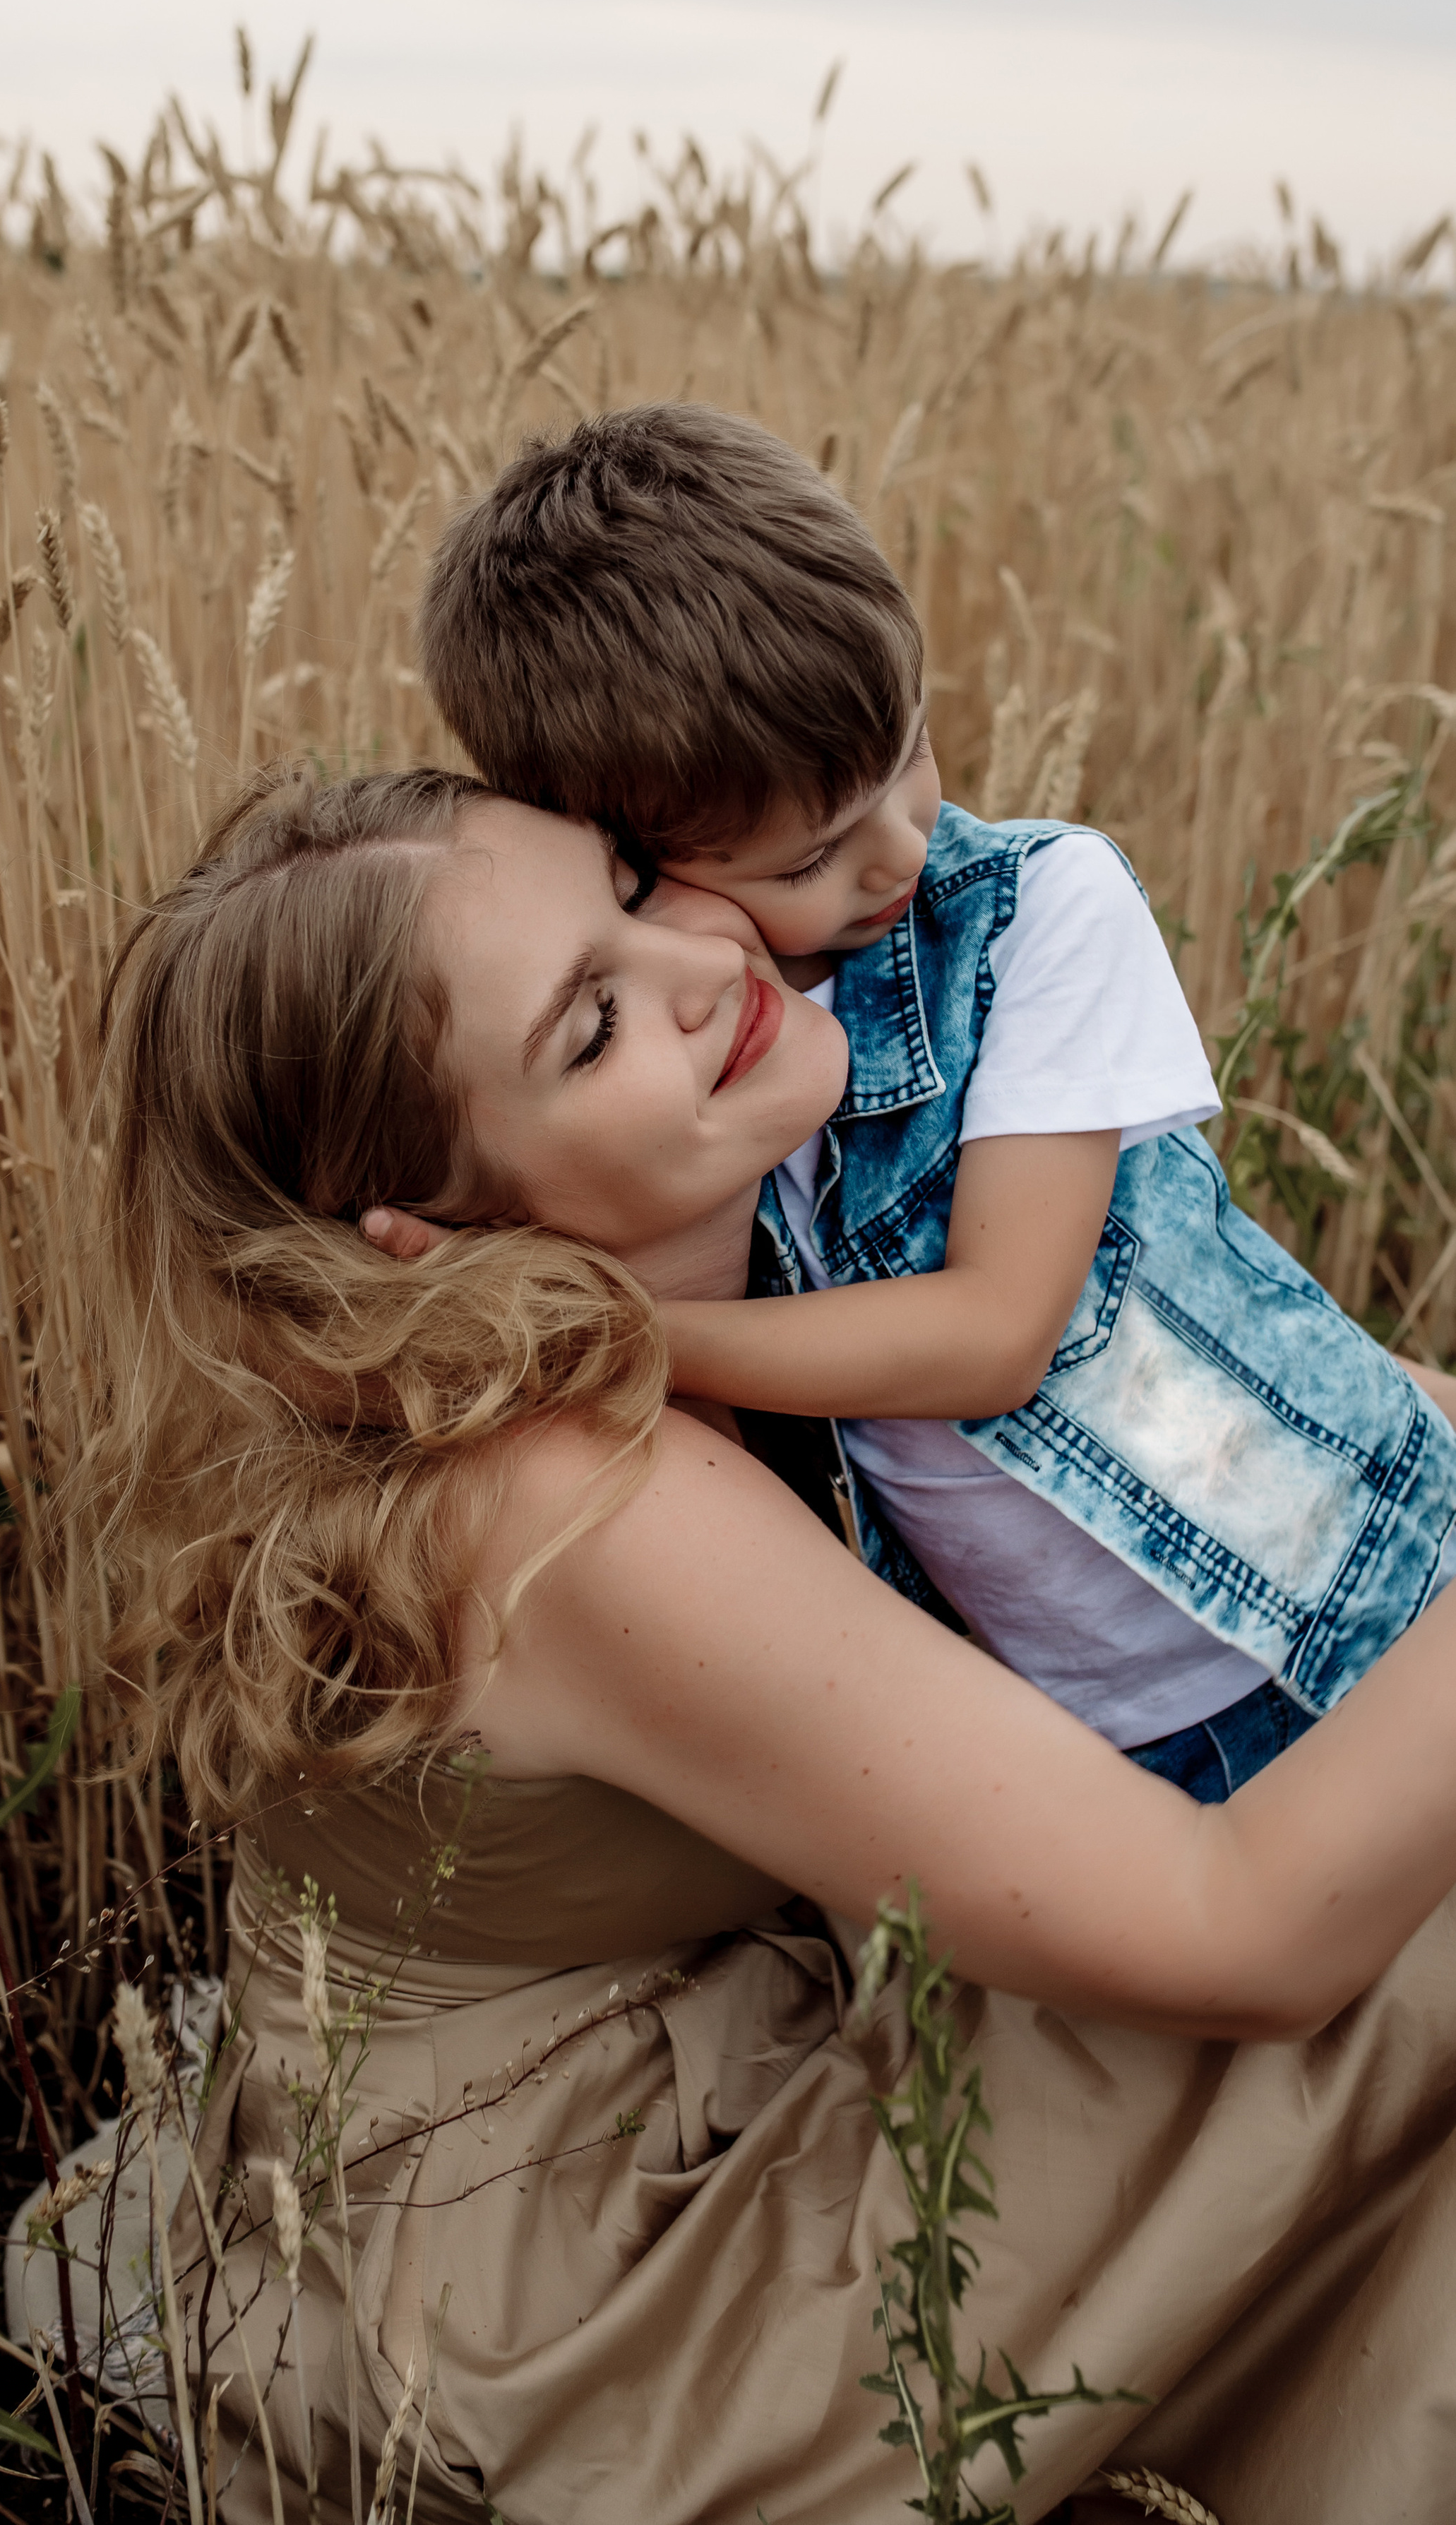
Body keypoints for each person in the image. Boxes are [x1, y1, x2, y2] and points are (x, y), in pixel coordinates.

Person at [78, 764, 1456, 2525]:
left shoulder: (774, 1238)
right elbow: (1238, 1930)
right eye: (586, 1029)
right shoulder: (567, 1498)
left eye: (637, 892)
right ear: (429, 1233)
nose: (700, 974)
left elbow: (1306, 1445)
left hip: (704, 2050)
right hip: (597, 2298)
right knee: (1402, 1932)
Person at [411, 403, 1456, 1800]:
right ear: (632, 857)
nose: (900, 848)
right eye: (811, 856)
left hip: (1356, 1603)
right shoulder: (694, 1065)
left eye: (908, 749)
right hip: (1111, 1733)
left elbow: (990, 1336)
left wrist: (632, 1339)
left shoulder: (1034, 915)